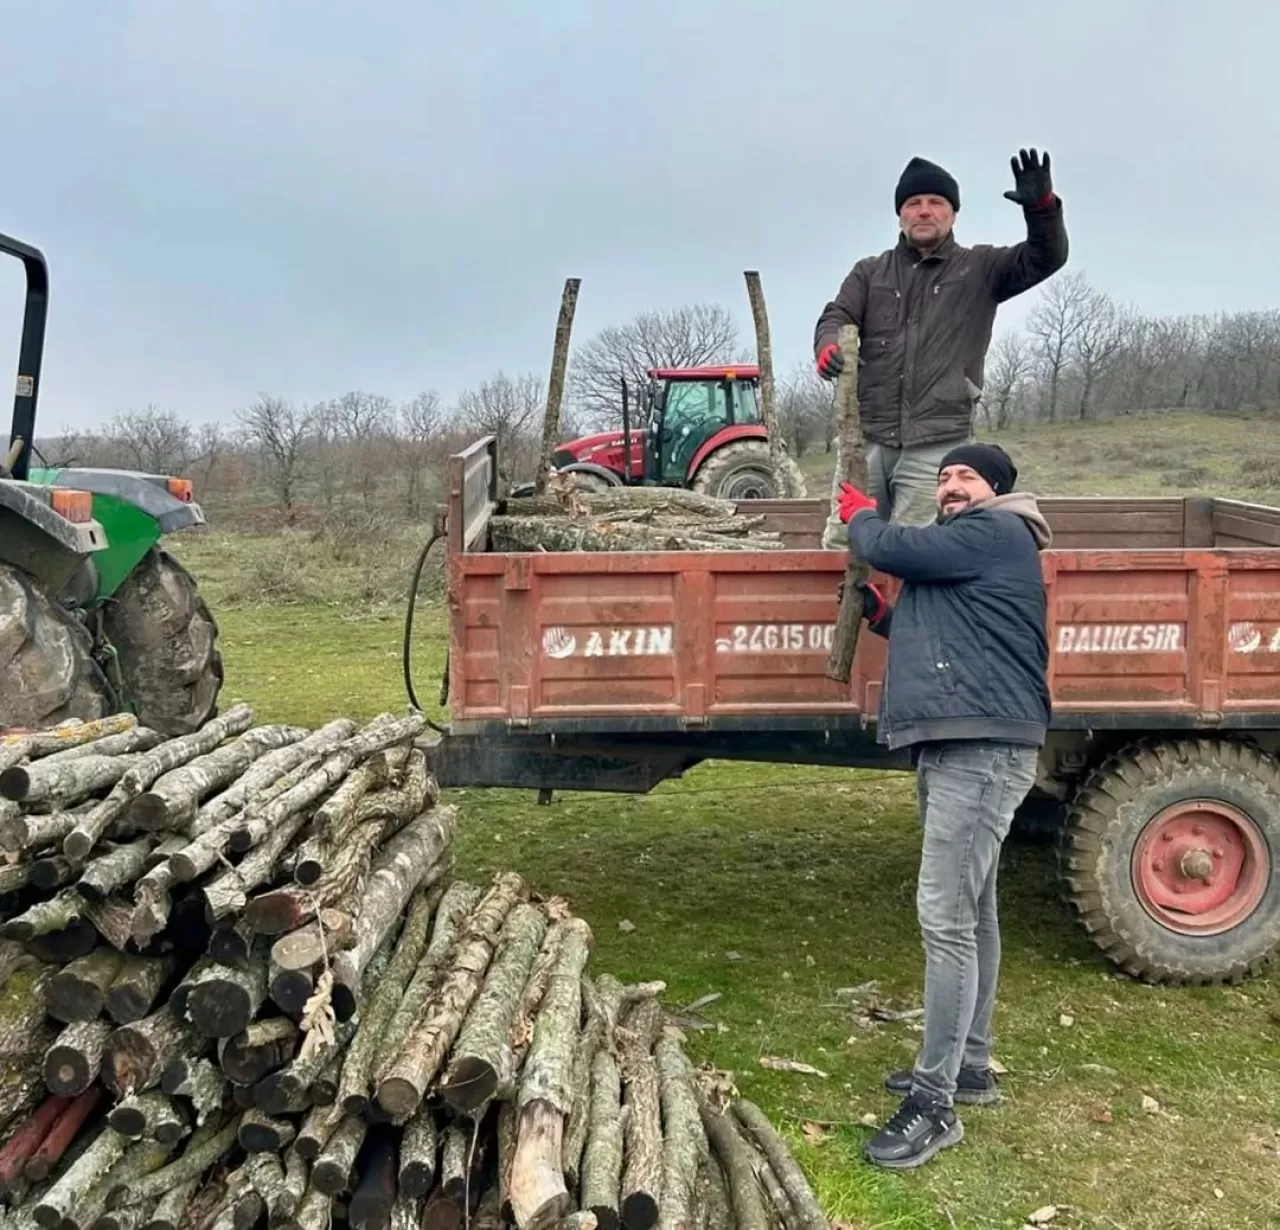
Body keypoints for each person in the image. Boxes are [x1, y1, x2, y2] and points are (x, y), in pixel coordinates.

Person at [834, 441, 1052, 1169]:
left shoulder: (998, 529)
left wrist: (862, 519)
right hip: (966, 743)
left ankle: (934, 1106)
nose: (951, 485)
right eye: (945, 477)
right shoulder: (969, 553)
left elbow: (894, 545)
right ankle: (970, 1064)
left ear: (994, 488)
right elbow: (944, 624)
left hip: (981, 749)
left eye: (965, 476)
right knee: (974, 910)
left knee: (946, 919)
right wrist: (880, 616)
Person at [814, 151, 1068, 526]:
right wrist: (828, 344)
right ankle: (853, 590)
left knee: (913, 545)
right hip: (865, 441)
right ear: (900, 214)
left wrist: (1042, 209)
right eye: (913, 203)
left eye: (936, 202)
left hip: (937, 443)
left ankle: (902, 589)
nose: (924, 211)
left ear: (953, 214)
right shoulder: (870, 273)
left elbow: (1046, 257)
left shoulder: (981, 269)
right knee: (845, 538)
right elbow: (838, 314)